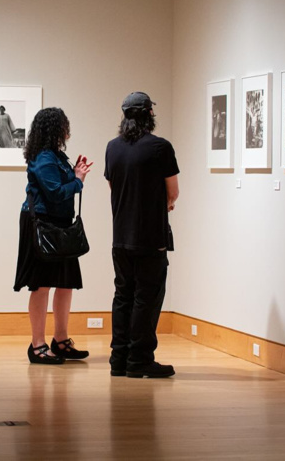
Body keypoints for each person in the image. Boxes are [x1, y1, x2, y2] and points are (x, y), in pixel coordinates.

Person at [104, 91, 179, 379]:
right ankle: (140, 359)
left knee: (123, 295)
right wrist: (165, 202)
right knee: (147, 298)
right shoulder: (160, 148)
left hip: (120, 237)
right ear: (150, 115)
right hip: (150, 237)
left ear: (124, 117)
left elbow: (114, 187)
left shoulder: (112, 148)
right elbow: (173, 192)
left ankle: (118, 359)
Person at [14, 107, 93, 364]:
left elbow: (61, 184)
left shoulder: (56, 156)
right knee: (41, 284)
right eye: (64, 126)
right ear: (56, 129)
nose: (67, 130)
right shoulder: (44, 158)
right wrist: (78, 180)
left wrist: (75, 171)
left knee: (65, 282)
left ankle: (60, 340)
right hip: (42, 225)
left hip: (58, 225)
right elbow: (56, 193)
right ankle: (37, 345)